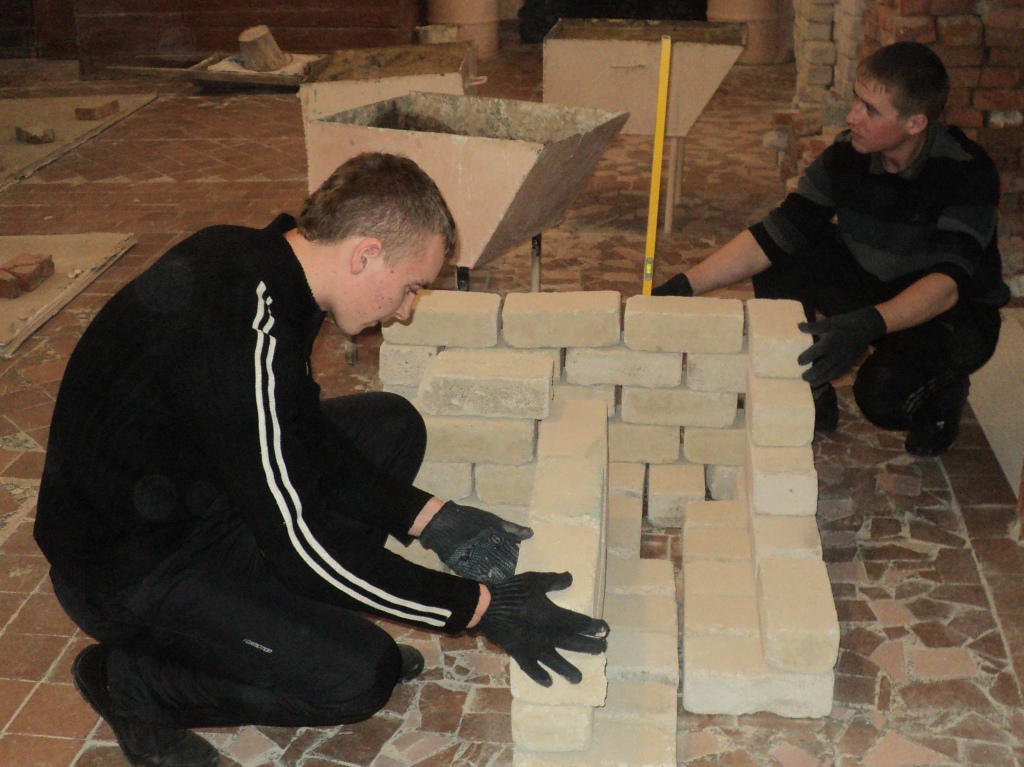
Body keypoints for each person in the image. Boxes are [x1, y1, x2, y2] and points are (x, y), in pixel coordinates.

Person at [34, 152, 608, 767]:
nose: (407, 309)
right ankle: (130, 683)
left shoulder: (268, 269)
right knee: (358, 676)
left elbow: (300, 430)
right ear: (365, 254)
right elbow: (299, 545)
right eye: (411, 286)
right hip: (129, 571)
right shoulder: (239, 325)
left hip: (196, 495)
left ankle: (290, 630)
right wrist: (480, 609)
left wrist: (433, 518)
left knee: (391, 427)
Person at [653, 41, 1010, 457]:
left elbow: (946, 287)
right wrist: (683, 286)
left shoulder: (966, 172)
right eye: (857, 100)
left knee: (882, 396)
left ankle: (942, 398)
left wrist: (865, 326)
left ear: (915, 123)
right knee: (784, 254)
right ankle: (813, 394)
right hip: (876, 287)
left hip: (950, 317)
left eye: (870, 110)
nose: (852, 116)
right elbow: (775, 233)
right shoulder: (847, 156)